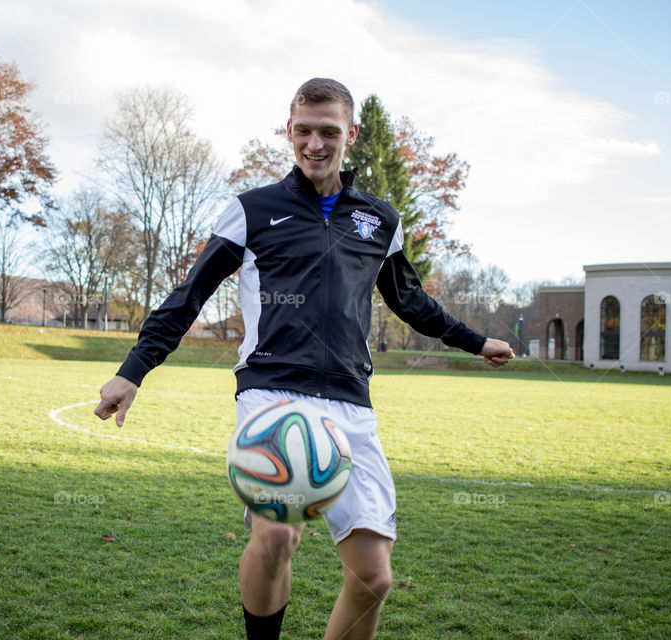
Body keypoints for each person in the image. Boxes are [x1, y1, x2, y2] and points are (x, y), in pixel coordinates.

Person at [95, 78, 515, 640]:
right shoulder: (251, 212)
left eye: (329, 132)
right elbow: (188, 297)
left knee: (374, 577)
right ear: (288, 130)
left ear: (351, 135)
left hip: (350, 403)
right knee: (276, 536)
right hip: (273, 396)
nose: (315, 144)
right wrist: (132, 372)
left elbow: (410, 301)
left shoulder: (379, 221)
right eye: (304, 130)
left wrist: (476, 341)